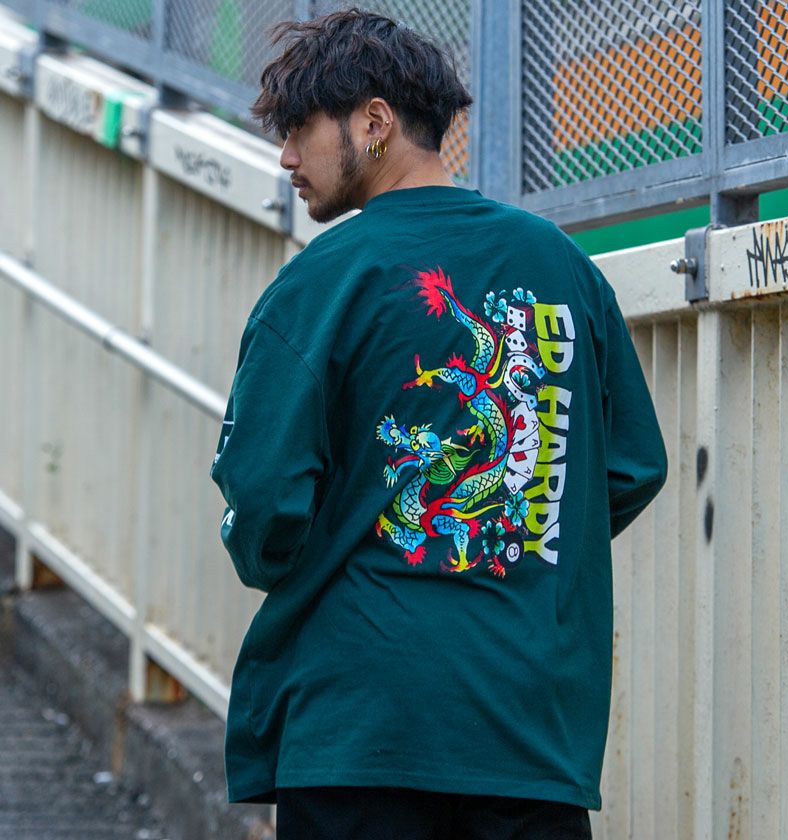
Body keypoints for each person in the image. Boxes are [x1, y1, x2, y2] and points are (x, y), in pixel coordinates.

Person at [210, 8, 667, 839]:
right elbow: (632, 466)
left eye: (300, 130)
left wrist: (310, 551)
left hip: (360, 725)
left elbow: (265, 499)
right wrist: (518, 534)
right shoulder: (562, 265)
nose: (285, 159)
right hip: (527, 725)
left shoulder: (321, 282)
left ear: (374, 122)